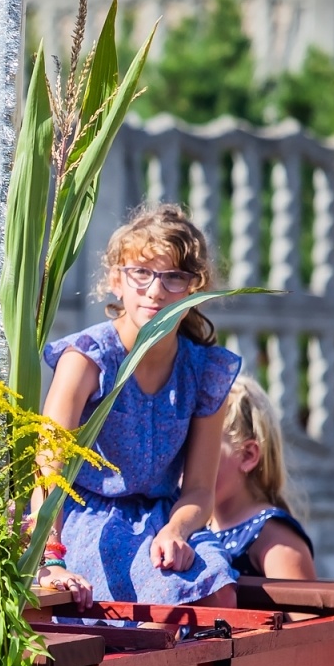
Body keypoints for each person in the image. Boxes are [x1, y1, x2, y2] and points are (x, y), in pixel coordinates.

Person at [39, 204, 241, 607]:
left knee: (221, 599)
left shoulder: (205, 369)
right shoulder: (87, 359)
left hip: (165, 516)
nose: (155, 291)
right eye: (142, 273)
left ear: (195, 288)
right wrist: (49, 558)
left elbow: (200, 490)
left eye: (174, 278)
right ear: (117, 280)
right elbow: (49, 469)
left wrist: (178, 530)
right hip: (84, 518)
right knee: (156, 601)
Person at [206, 376, 315, 579]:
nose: (185, 461)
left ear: (248, 456)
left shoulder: (273, 535)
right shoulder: (195, 528)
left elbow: (304, 610)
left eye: (201, 447)